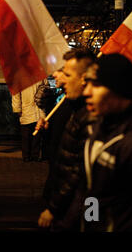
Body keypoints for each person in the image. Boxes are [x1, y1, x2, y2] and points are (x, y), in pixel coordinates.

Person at [76, 53, 132, 231]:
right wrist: (89, 222)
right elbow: (93, 192)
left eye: (97, 85)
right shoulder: (98, 127)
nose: (86, 92)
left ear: (118, 90)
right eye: (88, 84)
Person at [37, 48, 96, 230]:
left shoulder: (91, 116)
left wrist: (55, 208)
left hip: (76, 204)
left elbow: (79, 171)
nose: (56, 75)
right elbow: (62, 148)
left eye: (64, 72)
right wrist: (47, 130)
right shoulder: (68, 104)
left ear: (83, 78)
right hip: (58, 192)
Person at [12, 81, 45, 162]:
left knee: (37, 135)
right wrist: (17, 109)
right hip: (26, 110)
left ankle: (34, 155)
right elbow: (16, 94)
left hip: (38, 110)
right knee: (26, 135)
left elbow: (45, 87)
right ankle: (26, 155)